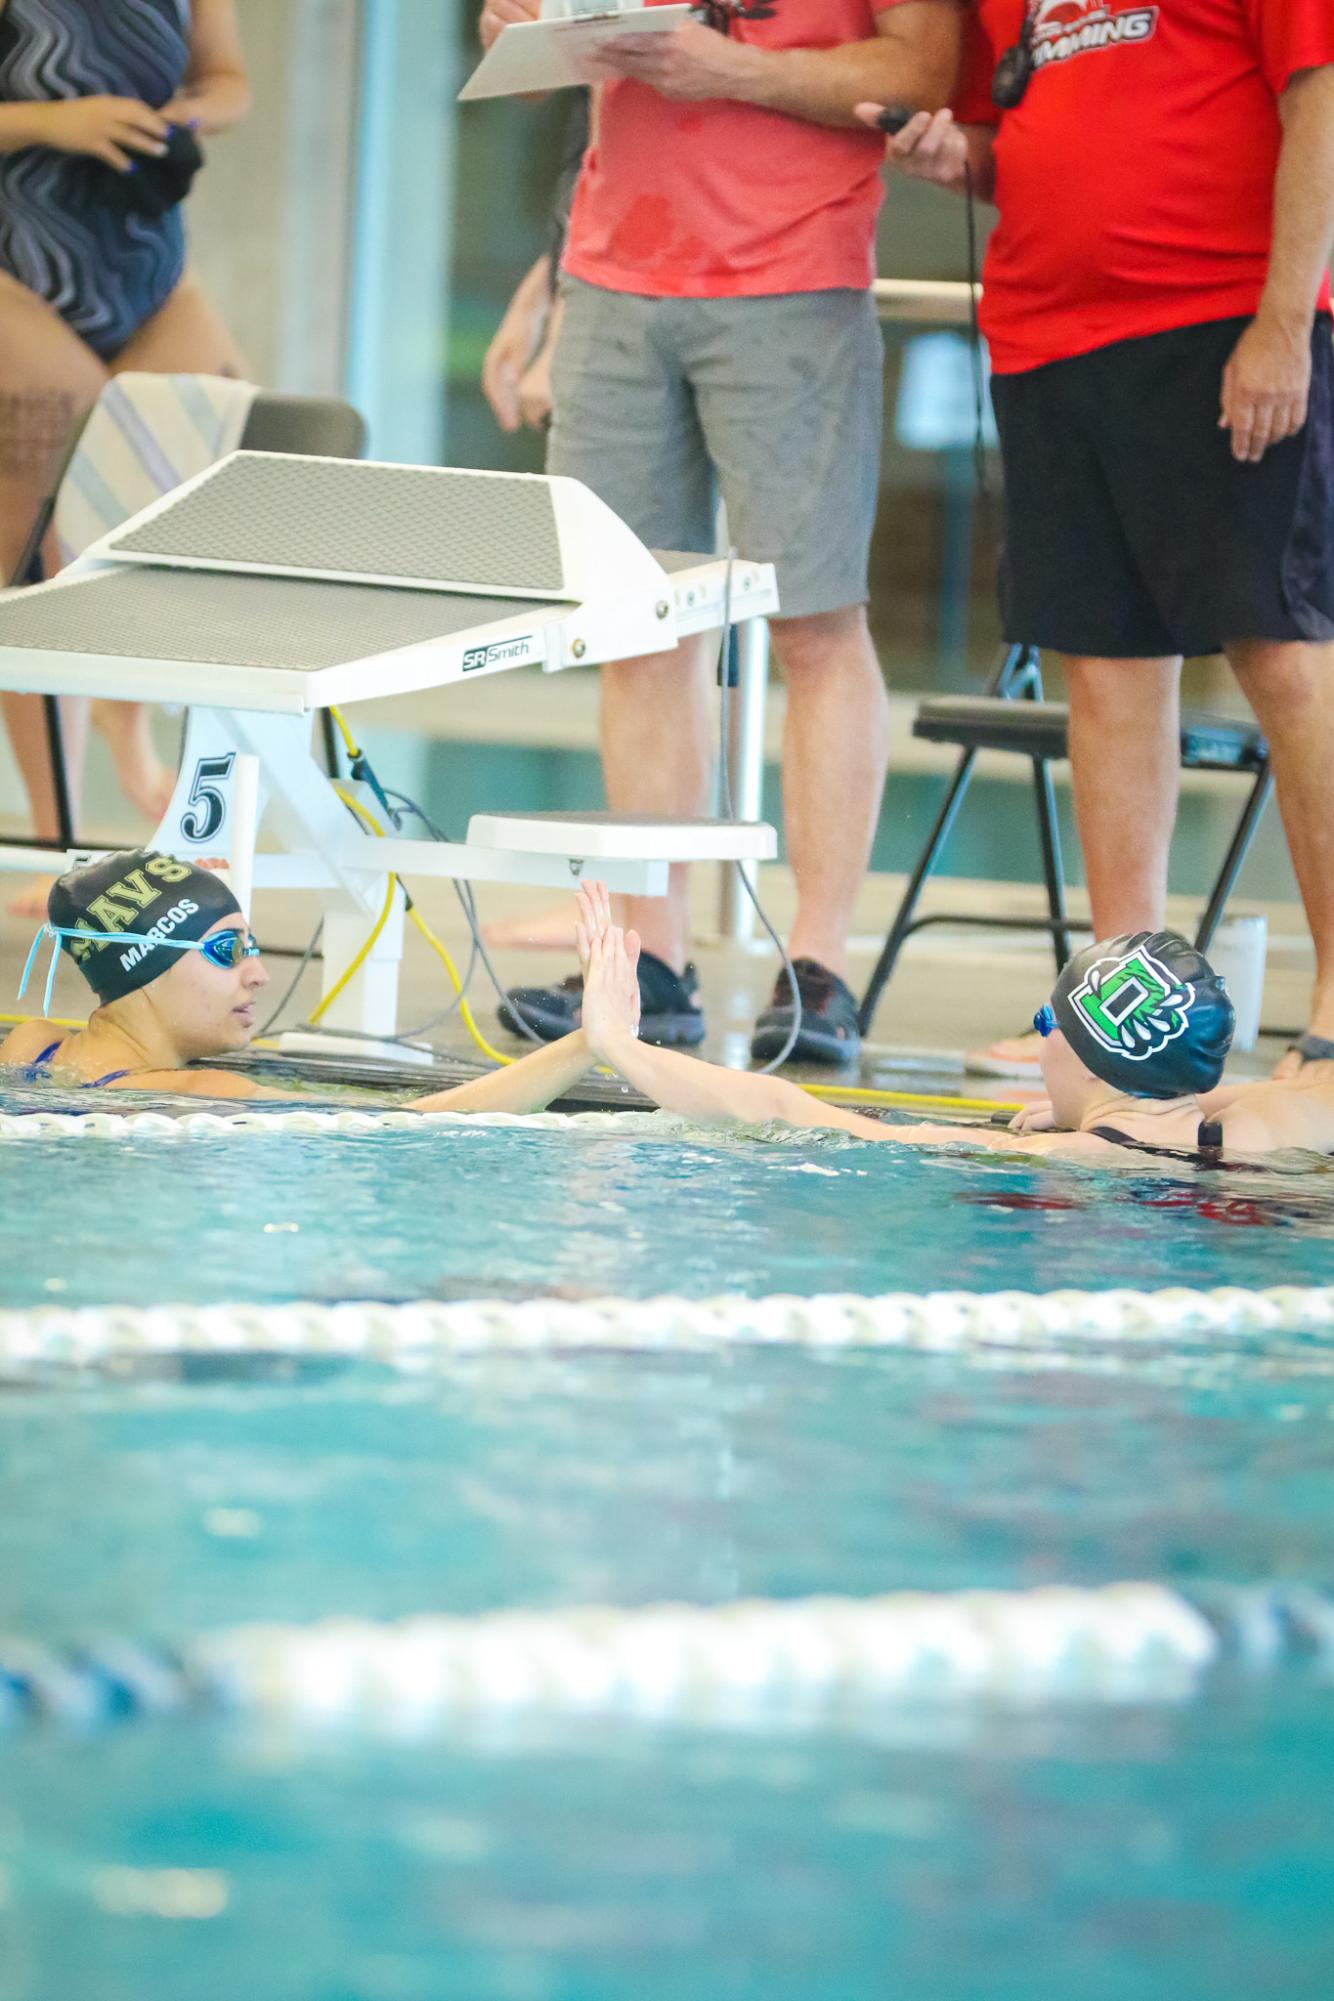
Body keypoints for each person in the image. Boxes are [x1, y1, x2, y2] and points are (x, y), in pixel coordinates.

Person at [855, 0, 1334, 1084]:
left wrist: (1283, 318)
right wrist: (950, 157)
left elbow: (1318, 97)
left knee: (1283, 655)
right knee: (1105, 673)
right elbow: (1008, 145)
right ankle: (1124, 1024)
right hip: (1048, 339)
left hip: (1218, 318)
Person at [478, 0, 962, 1065]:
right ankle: (648, 959)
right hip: (610, 272)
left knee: (816, 623)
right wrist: (519, 29)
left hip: (790, 274)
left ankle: (818, 964)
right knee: (638, 629)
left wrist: (722, 69)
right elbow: (533, 54)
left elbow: (923, 69)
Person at [0, 0, 250, 918]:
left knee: (177, 508)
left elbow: (230, 83)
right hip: (13, 264)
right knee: (43, 543)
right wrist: (48, 122)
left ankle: (123, 720)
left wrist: (190, 115)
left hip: (145, 265)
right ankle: (48, 836)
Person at [570, 880, 1334, 1162]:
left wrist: (619, 1046)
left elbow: (786, 1108)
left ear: (1093, 1061)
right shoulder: (1279, 1119)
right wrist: (1194, 1099)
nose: (1039, 1040)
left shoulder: (1066, 1163)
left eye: (1047, 1020)